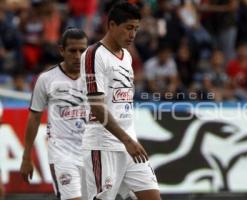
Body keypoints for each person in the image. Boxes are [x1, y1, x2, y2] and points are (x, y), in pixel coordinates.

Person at [80, 2, 161, 200]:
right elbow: (97, 108)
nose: (133, 34)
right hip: (103, 145)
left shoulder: (126, 56)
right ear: (112, 25)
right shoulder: (93, 55)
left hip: (129, 145)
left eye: (136, 29)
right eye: (128, 28)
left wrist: (129, 140)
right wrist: (126, 140)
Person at [20, 28, 88, 200]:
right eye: (72, 51)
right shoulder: (46, 79)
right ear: (61, 50)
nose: (78, 55)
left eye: (82, 50)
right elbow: (34, 117)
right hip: (62, 153)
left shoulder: (96, 78)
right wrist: (26, 157)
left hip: (92, 152)